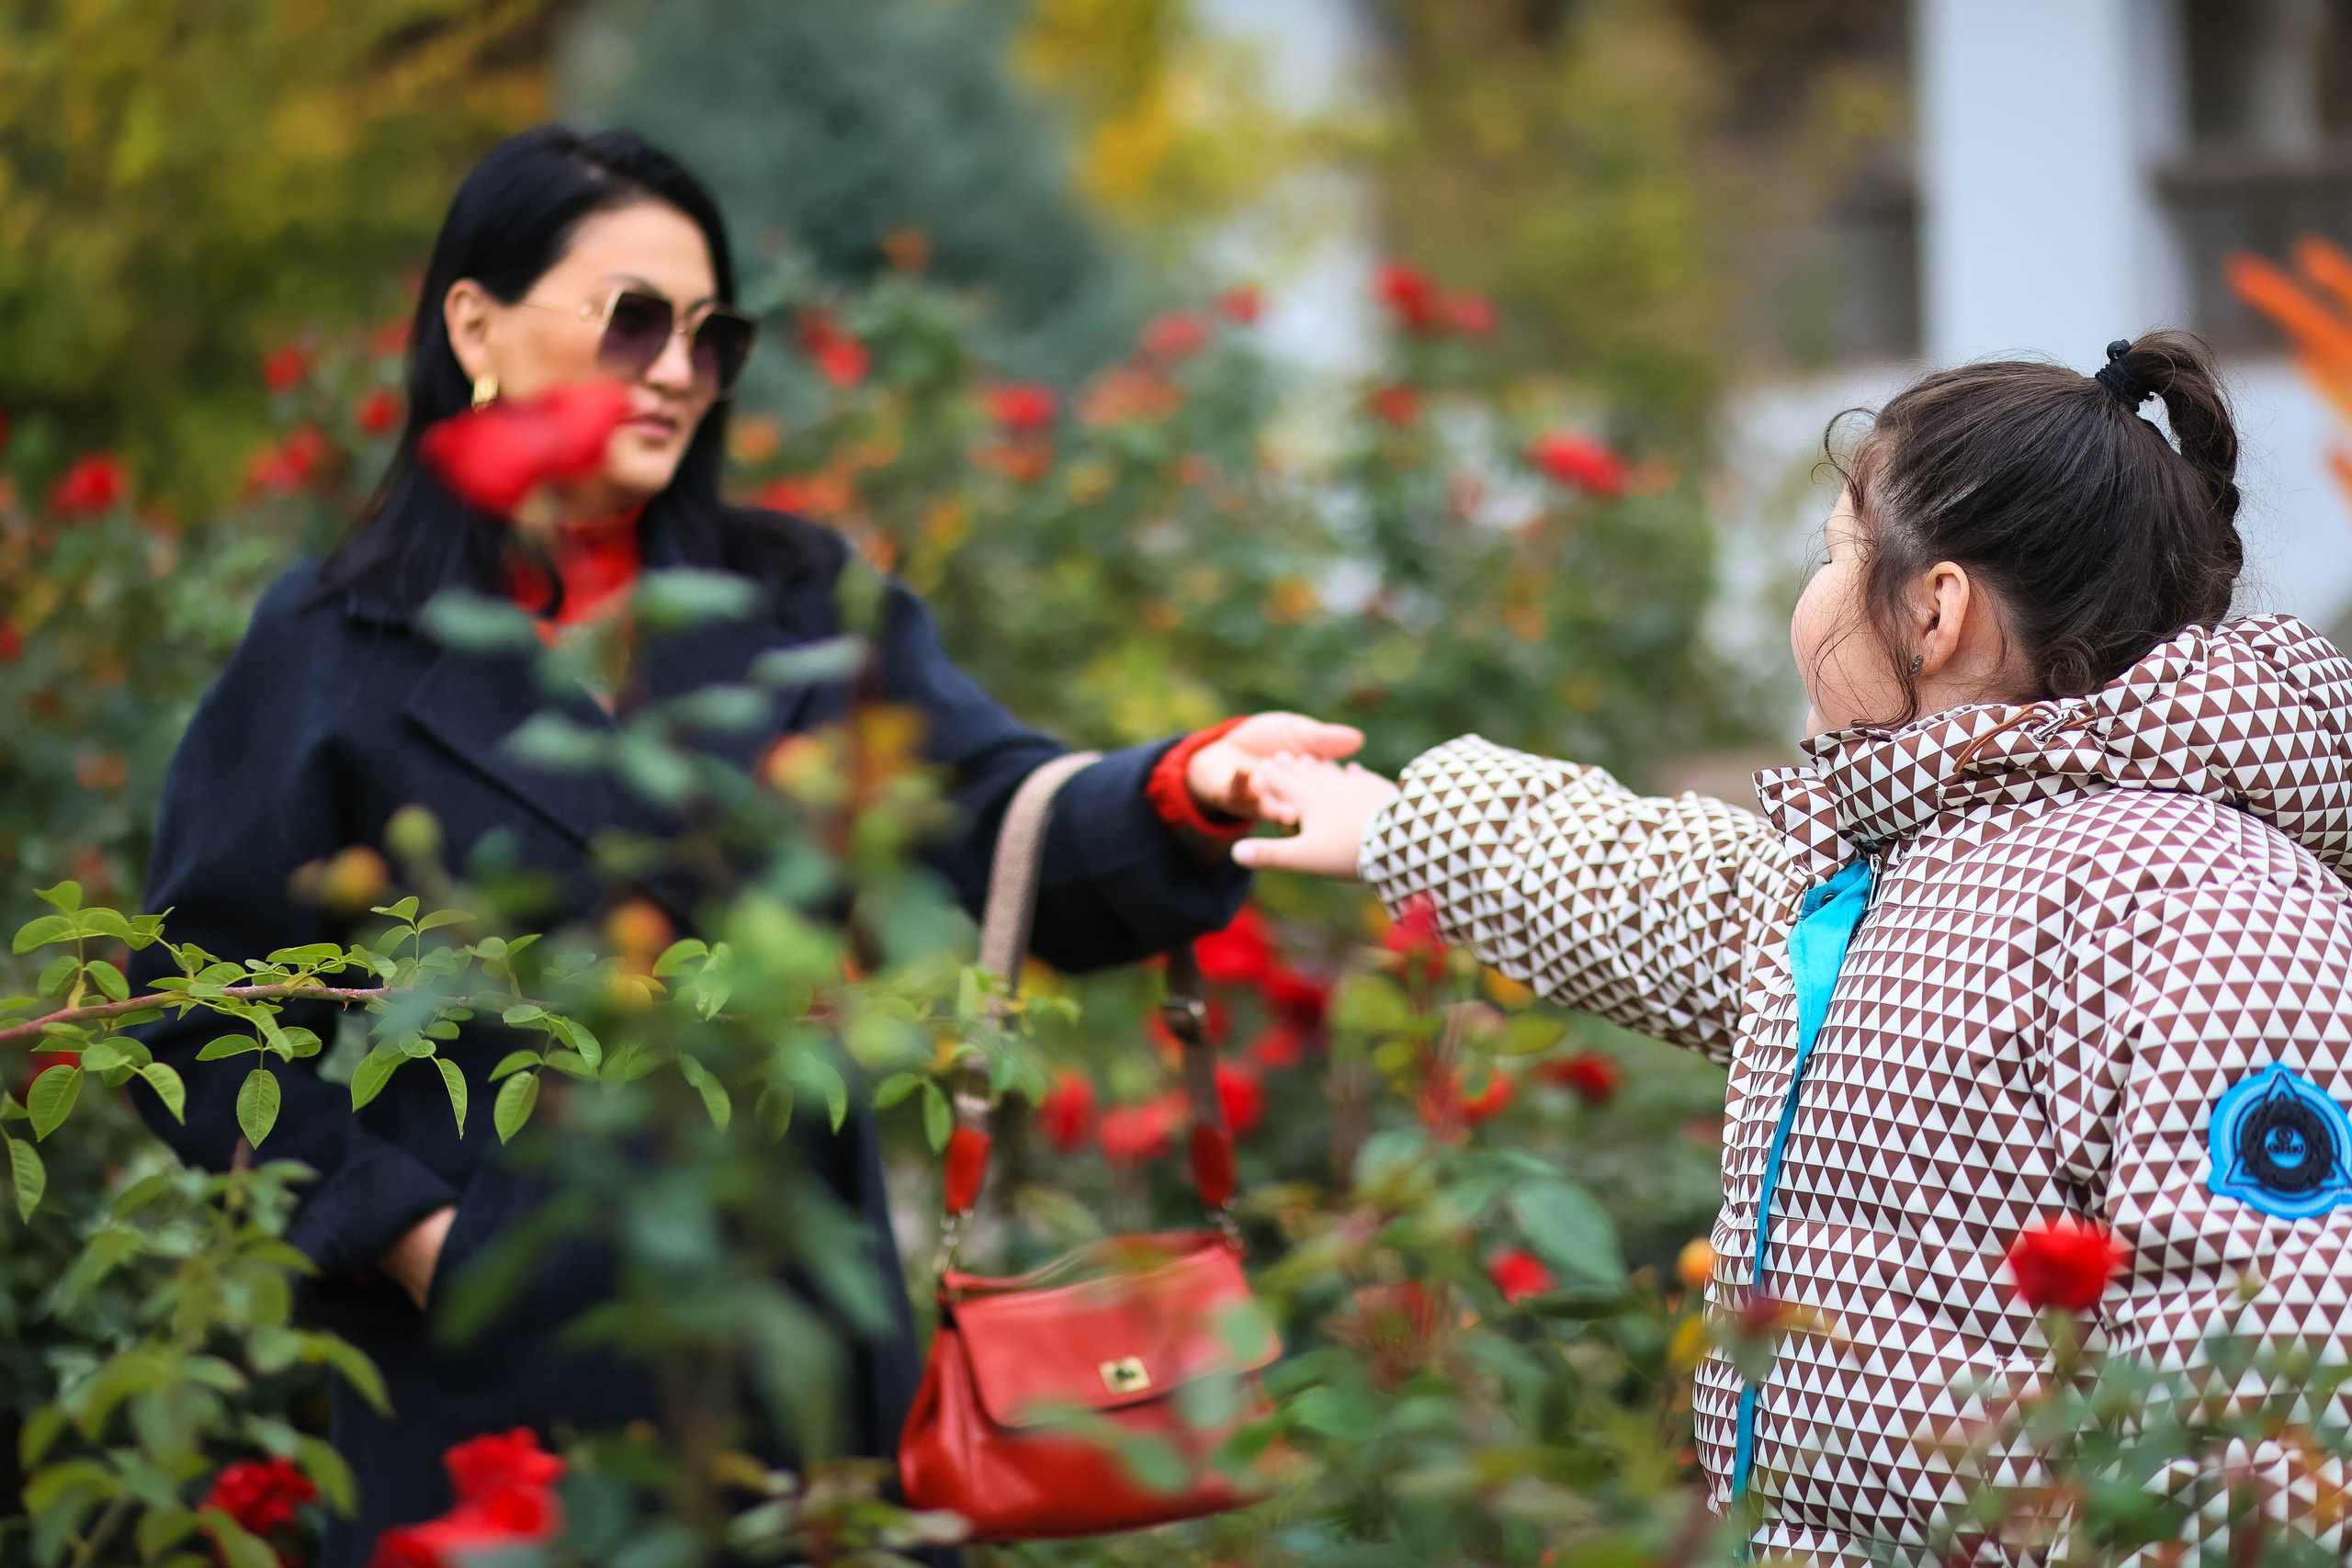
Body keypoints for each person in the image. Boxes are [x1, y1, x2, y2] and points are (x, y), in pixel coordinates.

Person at [127, 125, 1362, 1565]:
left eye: (713, 338)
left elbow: (991, 823)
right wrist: (414, 1239)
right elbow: (196, 1015)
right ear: (473, 325)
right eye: (634, 320)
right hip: (497, 1417)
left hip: (805, 1388)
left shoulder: (794, 605)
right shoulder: (338, 641)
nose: (676, 370)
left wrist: (1186, 787)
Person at [1242, 333, 2352, 1561]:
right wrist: (1397, 824)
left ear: (1934, 611)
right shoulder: (1895, 874)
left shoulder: (2204, 907)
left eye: (1834, 557)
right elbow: (1662, 892)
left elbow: (2265, 1405)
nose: (1810, 600)